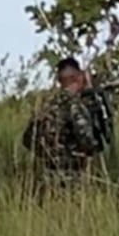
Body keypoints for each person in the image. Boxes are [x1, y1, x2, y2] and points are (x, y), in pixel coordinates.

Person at [21, 57, 102, 190]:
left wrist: (48, 155)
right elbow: (87, 140)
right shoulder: (75, 105)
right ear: (78, 77)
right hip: (72, 177)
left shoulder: (46, 105)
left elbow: (27, 141)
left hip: (47, 176)